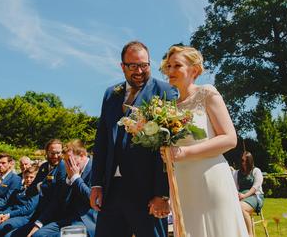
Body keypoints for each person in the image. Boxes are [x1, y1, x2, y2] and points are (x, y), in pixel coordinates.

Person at [90, 41, 177, 237]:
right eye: (133, 66)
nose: (139, 71)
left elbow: (168, 145)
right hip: (111, 190)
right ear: (122, 66)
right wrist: (96, 184)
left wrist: (162, 194)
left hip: (146, 192)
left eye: (144, 65)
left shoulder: (165, 92)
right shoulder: (111, 94)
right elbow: (102, 139)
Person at [159, 45, 248, 236]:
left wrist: (186, 152)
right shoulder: (168, 108)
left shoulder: (207, 93)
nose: (170, 71)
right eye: (169, 66)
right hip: (183, 183)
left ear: (194, 70)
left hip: (210, 178)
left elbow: (230, 139)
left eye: (177, 66)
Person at [26, 139, 97, 237]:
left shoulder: (96, 168)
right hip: (68, 219)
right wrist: (38, 224)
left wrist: (76, 178)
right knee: (38, 235)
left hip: (88, 221)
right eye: (66, 161)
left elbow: (93, 198)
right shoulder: (70, 171)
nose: (67, 165)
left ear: (82, 155)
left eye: (70, 160)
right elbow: (59, 200)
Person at [232, 151, 264, 237]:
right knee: (228, 207)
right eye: (243, 160)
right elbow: (234, 188)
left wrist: (244, 196)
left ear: (250, 161)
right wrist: (238, 195)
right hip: (241, 197)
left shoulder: (256, 171)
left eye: (247, 161)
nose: (244, 163)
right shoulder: (236, 173)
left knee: (241, 207)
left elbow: (256, 187)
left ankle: (250, 234)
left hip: (255, 196)